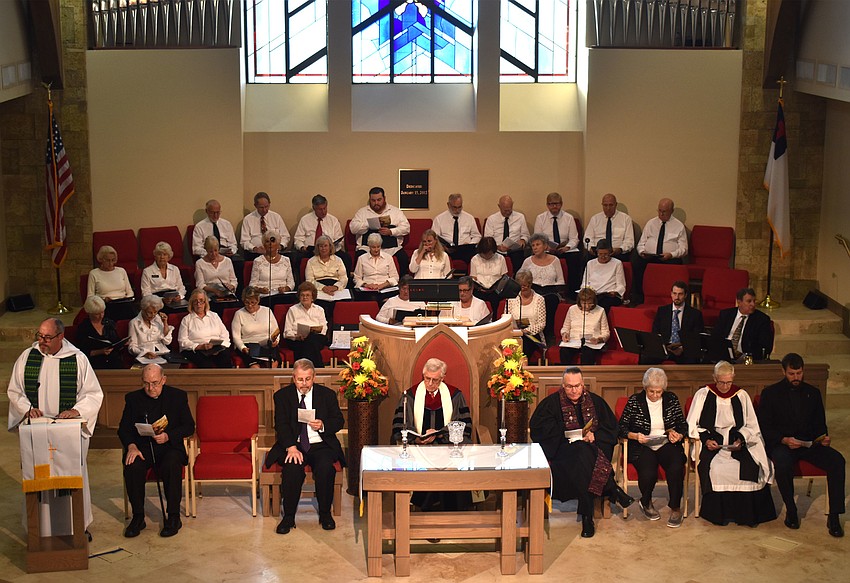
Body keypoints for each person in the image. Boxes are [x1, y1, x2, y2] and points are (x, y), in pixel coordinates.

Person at [7, 318, 104, 537]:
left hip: (67, 432)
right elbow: (14, 391)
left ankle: (76, 527)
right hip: (37, 430)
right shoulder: (28, 357)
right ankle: (39, 528)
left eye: (47, 337)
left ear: (61, 336)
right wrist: (27, 409)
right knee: (38, 477)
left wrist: (76, 410)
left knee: (71, 478)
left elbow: (93, 394)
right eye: (40, 336)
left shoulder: (77, 359)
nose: (42, 341)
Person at [530, 367, 634, 538]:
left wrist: (595, 435)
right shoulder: (551, 404)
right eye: (569, 386)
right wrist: (564, 431)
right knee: (580, 450)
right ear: (563, 385)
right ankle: (610, 489)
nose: (574, 390)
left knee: (583, 454)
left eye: (577, 386)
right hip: (563, 453)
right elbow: (539, 431)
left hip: (592, 452)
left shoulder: (596, 402)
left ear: (583, 384)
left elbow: (612, 429)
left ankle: (587, 516)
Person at [758, 353, 845, 537]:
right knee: (782, 463)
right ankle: (791, 510)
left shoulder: (813, 393)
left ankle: (834, 516)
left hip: (809, 444)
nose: (796, 377)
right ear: (783, 371)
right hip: (783, 444)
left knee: (838, 461)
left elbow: (820, 425)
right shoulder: (770, 393)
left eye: (799, 373)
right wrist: (784, 440)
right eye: (792, 373)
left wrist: (823, 438)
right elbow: (764, 427)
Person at [686, 361, 776, 527]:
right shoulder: (703, 394)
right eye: (721, 382)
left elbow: (752, 426)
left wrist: (741, 439)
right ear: (714, 378)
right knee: (716, 469)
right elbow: (691, 424)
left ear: (733, 378)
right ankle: (720, 514)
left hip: (737, 441)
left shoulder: (741, 395)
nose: (725, 386)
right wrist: (706, 440)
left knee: (751, 465)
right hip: (712, 441)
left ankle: (746, 515)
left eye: (729, 382)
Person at [267, 359, 345, 534]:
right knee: (292, 469)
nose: (304, 383)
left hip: (320, 444)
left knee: (325, 468)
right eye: (300, 379)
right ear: (294, 378)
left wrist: (323, 425)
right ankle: (288, 517)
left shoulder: (327, 395)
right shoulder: (282, 396)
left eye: (308, 379)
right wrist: (290, 447)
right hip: (294, 444)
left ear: (314, 377)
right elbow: (281, 425)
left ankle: (325, 514)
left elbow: (338, 421)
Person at [118, 364, 195, 538]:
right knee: (132, 465)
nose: (150, 388)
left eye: (155, 383)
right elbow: (123, 429)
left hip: (170, 447)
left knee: (172, 464)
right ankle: (138, 517)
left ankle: (173, 516)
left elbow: (189, 426)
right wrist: (131, 446)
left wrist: (168, 436)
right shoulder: (133, 399)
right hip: (143, 448)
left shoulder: (178, 397)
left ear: (163, 380)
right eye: (146, 383)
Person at [391, 358, 473, 511]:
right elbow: (400, 427)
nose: (429, 383)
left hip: (448, 448)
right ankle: (424, 513)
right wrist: (417, 438)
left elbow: (463, 426)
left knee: (449, 467)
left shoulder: (455, 396)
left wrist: (440, 435)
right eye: (427, 378)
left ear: (442, 378)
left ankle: (452, 515)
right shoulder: (409, 396)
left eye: (435, 380)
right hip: (418, 449)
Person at [618, 368, 688, 527]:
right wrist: (635, 436)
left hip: (665, 443)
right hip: (642, 445)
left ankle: (675, 507)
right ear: (645, 387)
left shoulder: (671, 399)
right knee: (648, 470)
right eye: (652, 391)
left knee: (676, 466)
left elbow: (682, 425)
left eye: (659, 392)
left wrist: (677, 434)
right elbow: (621, 428)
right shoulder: (635, 401)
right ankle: (646, 501)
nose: (655, 395)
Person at [632, 198, 688, 304]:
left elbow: (684, 249)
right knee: (637, 263)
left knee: (676, 264)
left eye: (664, 211)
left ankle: (671, 297)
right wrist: (642, 252)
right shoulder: (651, 223)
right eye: (659, 211)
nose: (661, 214)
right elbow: (641, 244)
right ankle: (640, 297)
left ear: (671, 211)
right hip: (650, 256)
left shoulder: (678, 226)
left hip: (669, 258)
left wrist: (671, 254)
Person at [348, 186, 411, 274]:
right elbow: (353, 228)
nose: (376, 203)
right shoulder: (362, 212)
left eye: (379, 200)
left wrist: (391, 231)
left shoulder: (396, 212)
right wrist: (368, 224)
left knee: (403, 258)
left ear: (384, 199)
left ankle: (401, 281)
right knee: (359, 256)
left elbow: (406, 228)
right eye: (373, 200)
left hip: (392, 249)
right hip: (367, 249)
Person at [533, 192, 582, 292]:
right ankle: (545, 289)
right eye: (551, 204)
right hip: (547, 250)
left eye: (557, 203)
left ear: (561, 204)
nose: (554, 206)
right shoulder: (541, 218)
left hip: (565, 250)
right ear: (547, 205)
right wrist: (546, 247)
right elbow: (537, 238)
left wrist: (567, 247)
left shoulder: (569, 218)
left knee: (575, 258)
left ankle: (572, 292)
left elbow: (574, 238)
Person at [648, 280, 704, 364]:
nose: (677, 297)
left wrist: (682, 348)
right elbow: (655, 332)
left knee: (692, 360)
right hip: (665, 348)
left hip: (684, 349)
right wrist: (664, 347)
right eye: (674, 293)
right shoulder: (662, 311)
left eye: (680, 294)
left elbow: (697, 337)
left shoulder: (695, 314)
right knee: (646, 358)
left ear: (685, 295)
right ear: (671, 294)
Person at [711, 287, 774, 362]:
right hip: (723, 355)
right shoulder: (726, 314)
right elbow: (716, 336)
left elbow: (764, 345)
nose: (753, 304)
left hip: (745, 358)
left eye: (754, 301)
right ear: (739, 302)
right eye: (749, 301)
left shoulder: (761, 319)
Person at [293, 194, 351, 273]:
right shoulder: (305, 220)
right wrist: (303, 248)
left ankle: (344, 280)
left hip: (330, 251)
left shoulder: (333, 220)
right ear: (314, 208)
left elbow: (340, 240)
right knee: (297, 258)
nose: (323, 212)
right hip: (311, 252)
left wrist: (332, 249)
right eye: (320, 209)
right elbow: (298, 239)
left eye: (325, 208)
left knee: (346, 257)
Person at [178, 289, 233, 368]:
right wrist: (199, 347)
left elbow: (225, 334)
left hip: (215, 348)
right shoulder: (187, 319)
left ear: (205, 302)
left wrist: (219, 347)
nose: (198, 304)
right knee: (206, 363)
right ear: (192, 303)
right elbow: (182, 341)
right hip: (196, 349)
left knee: (225, 356)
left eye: (201, 301)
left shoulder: (214, 316)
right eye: (195, 301)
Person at [231, 286, 281, 368]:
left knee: (272, 364)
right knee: (255, 367)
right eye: (247, 302)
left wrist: (276, 341)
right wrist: (243, 348)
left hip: (267, 344)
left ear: (258, 300)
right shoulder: (239, 314)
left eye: (252, 302)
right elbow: (236, 337)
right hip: (248, 345)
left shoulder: (267, 311)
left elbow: (276, 330)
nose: (250, 305)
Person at [283, 282, 328, 368]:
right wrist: (296, 337)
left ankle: (302, 369)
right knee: (309, 344)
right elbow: (287, 332)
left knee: (311, 340)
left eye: (307, 295)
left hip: (316, 338)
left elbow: (324, 329)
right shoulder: (292, 310)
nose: (305, 297)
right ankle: (318, 369)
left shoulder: (319, 310)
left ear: (312, 297)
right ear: (299, 297)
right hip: (297, 340)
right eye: (302, 295)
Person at [560, 288, 609, 365]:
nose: (587, 306)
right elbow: (565, 327)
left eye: (590, 303)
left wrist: (599, 339)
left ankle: (585, 373)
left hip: (592, 343)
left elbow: (606, 332)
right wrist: (564, 334)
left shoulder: (600, 310)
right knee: (564, 351)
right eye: (584, 303)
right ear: (579, 302)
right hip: (574, 341)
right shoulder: (572, 309)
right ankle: (567, 372)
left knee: (587, 353)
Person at [483, 195, 530, 275]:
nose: (508, 212)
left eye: (509, 209)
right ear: (499, 206)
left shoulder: (520, 217)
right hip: (497, 251)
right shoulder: (492, 219)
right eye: (505, 210)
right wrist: (498, 247)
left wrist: (523, 240)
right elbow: (488, 239)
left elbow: (526, 235)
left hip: (515, 251)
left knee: (519, 260)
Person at [88, 244, 136, 320]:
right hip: (106, 304)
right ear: (101, 259)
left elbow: (130, 292)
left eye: (113, 260)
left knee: (131, 312)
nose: (111, 263)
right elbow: (90, 297)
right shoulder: (94, 273)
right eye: (107, 260)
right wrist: (102, 300)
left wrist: (126, 298)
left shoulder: (121, 271)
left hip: (123, 303)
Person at [430, 193, 481, 265]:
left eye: (459, 207)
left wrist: (470, 243)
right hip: (446, 250)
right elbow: (434, 237)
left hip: (465, 250)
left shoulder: (469, 218)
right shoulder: (439, 219)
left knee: (474, 254)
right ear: (448, 205)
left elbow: (477, 236)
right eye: (454, 207)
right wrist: (443, 247)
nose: (457, 210)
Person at [505, 270, 546, 356]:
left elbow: (542, 324)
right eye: (520, 286)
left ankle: (522, 364)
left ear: (530, 284)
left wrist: (525, 331)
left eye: (525, 286)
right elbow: (506, 319)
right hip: (515, 333)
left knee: (525, 344)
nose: (522, 289)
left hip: (532, 335)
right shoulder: (511, 299)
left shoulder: (539, 299)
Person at [76, 295, 124, 369]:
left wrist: (122, 343)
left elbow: (116, 341)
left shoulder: (109, 323)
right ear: (89, 313)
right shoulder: (84, 328)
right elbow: (82, 351)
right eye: (97, 314)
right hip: (95, 363)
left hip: (113, 361)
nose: (101, 316)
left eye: (102, 312)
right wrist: (100, 351)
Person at [583, 193, 634, 261]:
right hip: (598, 254)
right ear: (602, 205)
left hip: (618, 254)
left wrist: (620, 249)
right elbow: (587, 238)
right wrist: (591, 249)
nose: (608, 208)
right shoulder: (595, 219)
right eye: (605, 205)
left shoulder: (626, 219)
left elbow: (629, 241)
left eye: (611, 205)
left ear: (616, 205)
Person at [240, 191, 290, 260]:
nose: (264, 210)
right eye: (261, 207)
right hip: (255, 254)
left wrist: (280, 246)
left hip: (275, 252)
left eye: (266, 206)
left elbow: (286, 236)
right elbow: (244, 241)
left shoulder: (276, 217)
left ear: (269, 204)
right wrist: (255, 249)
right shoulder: (248, 219)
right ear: (255, 205)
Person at [248, 230, 295, 301]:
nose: (270, 244)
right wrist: (260, 290)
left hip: (282, 296)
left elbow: (291, 283)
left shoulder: (286, 260)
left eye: (273, 241)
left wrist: (285, 289)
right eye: (267, 241)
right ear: (264, 245)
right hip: (265, 297)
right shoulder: (258, 261)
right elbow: (252, 285)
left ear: (278, 244)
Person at [581, 239, 626, 311]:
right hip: (593, 294)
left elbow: (621, 285)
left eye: (605, 254)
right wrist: (586, 291)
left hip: (609, 295)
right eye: (600, 254)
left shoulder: (617, 263)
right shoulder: (590, 263)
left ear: (610, 253)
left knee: (603, 303)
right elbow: (584, 282)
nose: (603, 257)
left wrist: (615, 292)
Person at [128, 295, 174, 364]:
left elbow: (167, 342)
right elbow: (132, 347)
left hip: (161, 353)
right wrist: (144, 353)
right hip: (144, 356)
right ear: (143, 309)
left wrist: (165, 323)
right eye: (150, 312)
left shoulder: (158, 318)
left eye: (155, 312)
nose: (153, 315)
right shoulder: (134, 323)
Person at [140, 241, 187, 307]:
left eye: (165, 254)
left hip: (174, 300)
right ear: (155, 256)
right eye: (159, 254)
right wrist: (161, 299)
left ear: (169, 256)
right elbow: (145, 293)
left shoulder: (175, 269)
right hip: (155, 302)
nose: (162, 257)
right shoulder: (147, 271)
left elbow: (181, 287)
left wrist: (180, 296)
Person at [194, 235, 238, 300]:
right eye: (211, 252)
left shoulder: (227, 261)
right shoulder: (199, 263)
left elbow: (234, 280)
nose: (214, 254)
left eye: (215, 250)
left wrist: (232, 286)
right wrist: (215, 291)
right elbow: (200, 285)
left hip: (227, 294)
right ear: (206, 250)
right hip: (209, 296)